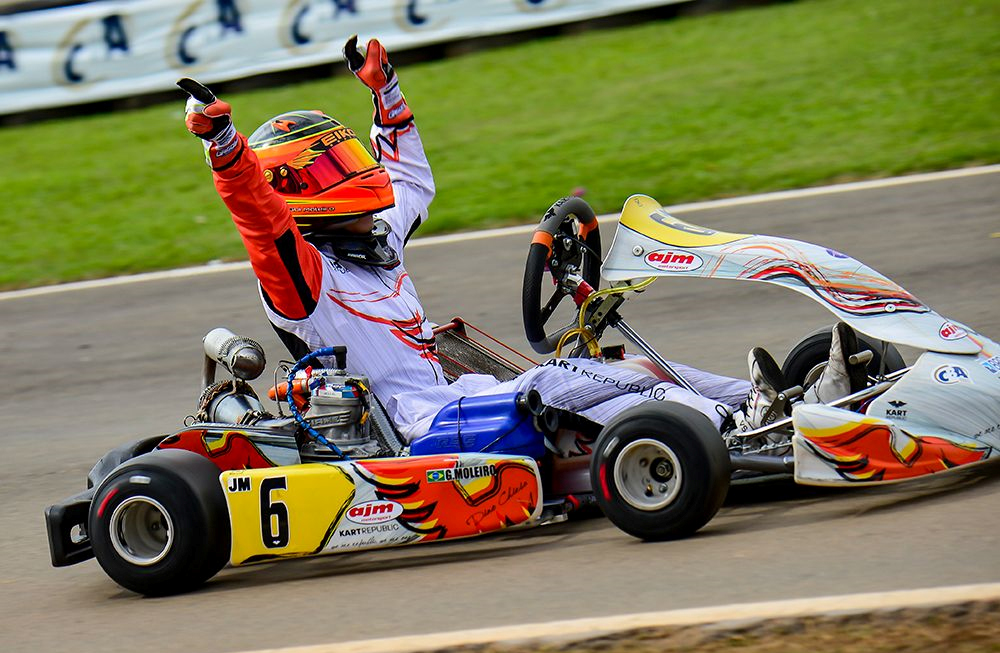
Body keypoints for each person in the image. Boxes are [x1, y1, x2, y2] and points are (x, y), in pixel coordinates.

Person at [182, 36, 863, 448]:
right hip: (411, 426)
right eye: (332, 170)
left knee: (625, 371)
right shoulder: (304, 282)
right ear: (299, 191)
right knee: (566, 380)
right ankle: (727, 429)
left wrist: (387, 94)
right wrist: (226, 152)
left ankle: (772, 405)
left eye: (350, 161)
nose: (358, 179)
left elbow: (411, 180)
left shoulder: (372, 240)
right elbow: (262, 224)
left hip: (455, 395)